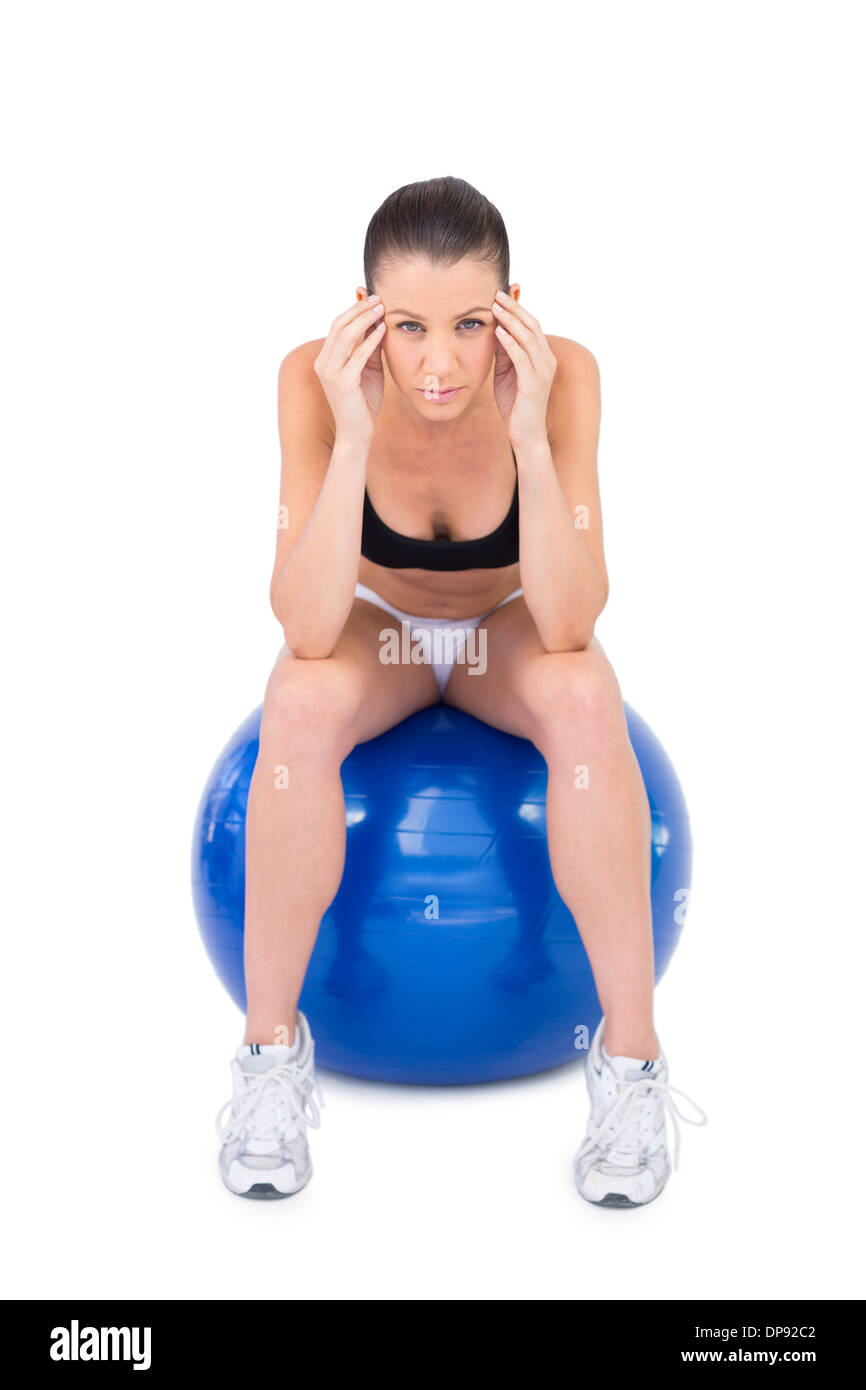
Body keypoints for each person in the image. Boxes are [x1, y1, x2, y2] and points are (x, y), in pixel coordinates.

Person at [215, 176, 707, 1207]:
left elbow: (569, 615)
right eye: (407, 327)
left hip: (507, 628)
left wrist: (527, 431)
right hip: (378, 632)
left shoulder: (563, 379)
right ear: (362, 317)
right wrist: (351, 431)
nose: (438, 364)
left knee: (583, 692)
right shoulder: (309, 385)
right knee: (297, 701)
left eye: (470, 324)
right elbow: (305, 624)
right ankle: (267, 1064)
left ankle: (630, 1067)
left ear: (512, 313)